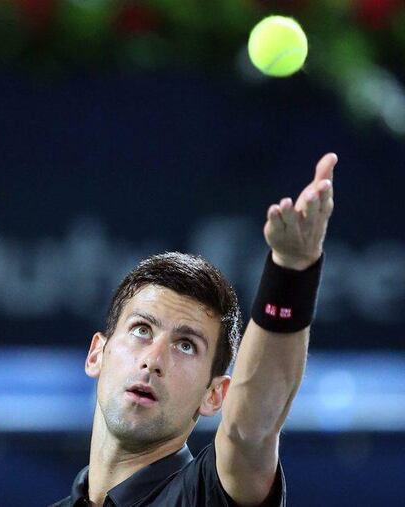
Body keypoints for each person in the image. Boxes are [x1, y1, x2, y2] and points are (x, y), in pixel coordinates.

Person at [50, 153, 337, 507]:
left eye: (186, 346)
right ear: (97, 354)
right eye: (141, 329)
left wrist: (292, 271)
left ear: (214, 394)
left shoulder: (205, 496)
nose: (153, 360)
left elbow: (250, 430)